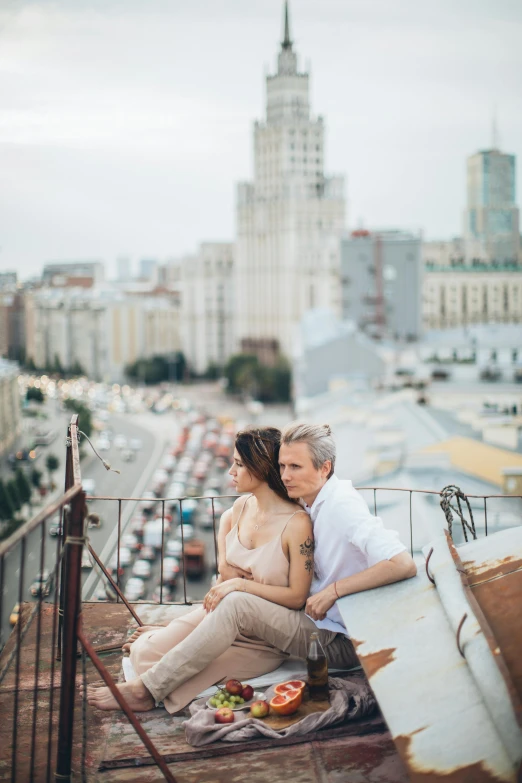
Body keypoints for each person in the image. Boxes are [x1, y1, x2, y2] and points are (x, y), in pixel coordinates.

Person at [87, 421, 416, 714]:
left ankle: (147, 691)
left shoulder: (341, 506)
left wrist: (333, 591)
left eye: (296, 467)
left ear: (324, 468)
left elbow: (402, 563)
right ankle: (164, 659)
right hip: (311, 623)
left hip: (341, 640)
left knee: (235, 603)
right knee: (155, 647)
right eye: (283, 465)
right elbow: (249, 525)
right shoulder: (311, 501)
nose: (286, 475)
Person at [87, 426, 314, 713]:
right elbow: (225, 546)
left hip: (261, 641)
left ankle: (146, 690)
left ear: (261, 468)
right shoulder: (241, 508)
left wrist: (239, 584)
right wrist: (224, 565)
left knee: (178, 679)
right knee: (142, 655)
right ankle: (183, 638)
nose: (231, 472)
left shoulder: (297, 524)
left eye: (240, 465)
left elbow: (296, 597)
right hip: (218, 615)